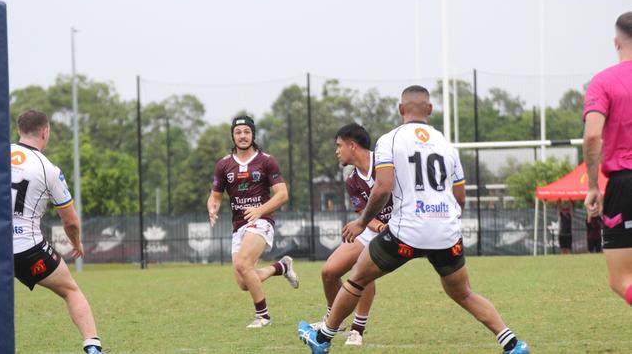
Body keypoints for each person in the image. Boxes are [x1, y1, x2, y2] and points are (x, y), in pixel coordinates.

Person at [298, 86, 529, 354]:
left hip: (406, 232)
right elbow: (461, 197)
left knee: (357, 278)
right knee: (464, 293)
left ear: (400, 109)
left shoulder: (390, 140)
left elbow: (383, 188)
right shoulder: (447, 145)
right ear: (430, 109)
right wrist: (445, 224)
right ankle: (512, 344)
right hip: (445, 231)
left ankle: (323, 338)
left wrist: (362, 222)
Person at [11, 110, 104, 354]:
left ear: (19, 130)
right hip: (28, 250)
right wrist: (77, 243)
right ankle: (92, 346)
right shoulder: (48, 169)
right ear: (45, 131)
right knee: (70, 290)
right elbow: (70, 221)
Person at [207, 115, 298, 328]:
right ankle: (281, 267)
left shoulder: (266, 161)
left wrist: (260, 210)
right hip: (238, 226)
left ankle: (263, 316)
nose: (242, 136)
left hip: (262, 221)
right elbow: (215, 196)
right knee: (243, 282)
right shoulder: (223, 165)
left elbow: (282, 194)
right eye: (238, 132)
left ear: (253, 134)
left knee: (242, 264)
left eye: (247, 131)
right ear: (232, 135)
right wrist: (212, 207)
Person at [311, 123, 393, 346]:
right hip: (371, 228)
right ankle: (334, 320)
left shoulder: (386, 162)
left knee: (362, 270)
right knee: (329, 271)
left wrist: (387, 228)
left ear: (352, 145)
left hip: (401, 228)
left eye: (339, 146)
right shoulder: (351, 181)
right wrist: (377, 227)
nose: (337, 151)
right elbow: (363, 214)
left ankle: (357, 329)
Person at [583, 12, 632, 306]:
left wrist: (592, 185)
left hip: (625, 184)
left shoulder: (603, 82)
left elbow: (592, 136)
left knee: (621, 279)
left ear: (616, 42)